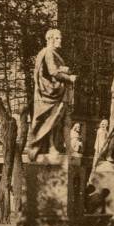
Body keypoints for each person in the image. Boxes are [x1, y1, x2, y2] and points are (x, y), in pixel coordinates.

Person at [26, 29, 77, 160]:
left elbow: (56, 70)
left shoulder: (54, 54)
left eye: (60, 38)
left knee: (63, 120)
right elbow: (53, 72)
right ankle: (51, 146)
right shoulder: (48, 52)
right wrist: (69, 78)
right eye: (58, 38)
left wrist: (64, 70)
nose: (60, 41)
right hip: (51, 93)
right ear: (50, 39)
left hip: (61, 92)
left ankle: (68, 147)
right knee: (52, 120)